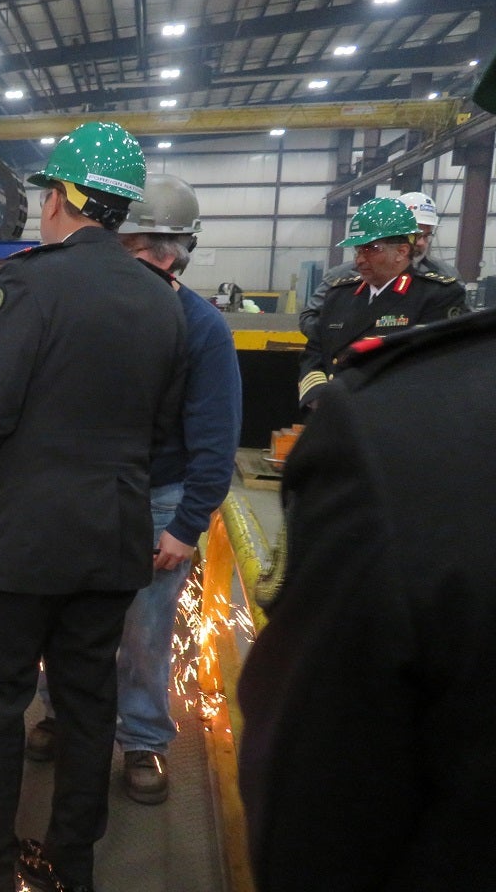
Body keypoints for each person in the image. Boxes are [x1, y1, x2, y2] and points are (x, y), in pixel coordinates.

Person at [0, 122, 186, 892]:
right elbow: (161, 428)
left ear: (60, 200)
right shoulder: (163, 302)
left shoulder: (30, 283)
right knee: (88, 704)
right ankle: (70, 867)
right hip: (113, 537)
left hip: (21, 544)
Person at [238, 305, 496, 890]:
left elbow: (313, 779)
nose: (364, 260)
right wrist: (316, 395)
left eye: (376, 254)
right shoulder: (342, 305)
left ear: (406, 256)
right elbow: (313, 356)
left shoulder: (396, 422)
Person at [26, 175, 243, 804]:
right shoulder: (86, 314)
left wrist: (186, 524)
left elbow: (215, 438)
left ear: (172, 254)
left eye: (133, 248)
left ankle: (144, 736)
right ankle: (59, 710)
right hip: (82, 494)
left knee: (144, 630)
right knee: (65, 616)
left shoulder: (200, 328)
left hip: (157, 500)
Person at [297, 195, 465, 408]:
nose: (359, 259)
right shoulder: (338, 295)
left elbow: (436, 367)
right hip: (335, 414)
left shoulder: (438, 296)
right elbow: (314, 353)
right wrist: (318, 397)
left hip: (394, 415)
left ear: (401, 252)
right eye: (358, 249)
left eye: (372, 249)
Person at [298, 189, 457, 339]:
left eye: (426, 236)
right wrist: (339, 338)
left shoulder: (446, 279)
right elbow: (309, 318)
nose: (421, 243)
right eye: (414, 235)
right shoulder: (342, 277)